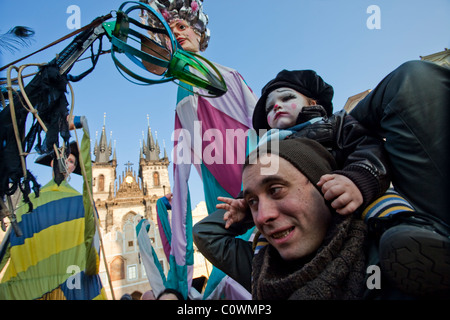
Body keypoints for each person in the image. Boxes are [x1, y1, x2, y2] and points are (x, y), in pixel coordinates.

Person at [194, 138, 409, 299]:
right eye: (253, 202)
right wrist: (244, 210)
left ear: (324, 187)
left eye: (276, 189)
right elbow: (205, 232)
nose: (263, 216)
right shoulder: (262, 269)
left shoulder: (393, 257)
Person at [142, 0, 257, 299]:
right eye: (171, 31)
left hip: (257, 189)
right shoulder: (182, 95)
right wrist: (172, 205)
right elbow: (180, 168)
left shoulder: (230, 75)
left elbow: (260, 125)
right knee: (224, 287)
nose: (178, 34)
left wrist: (264, 182)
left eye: (182, 27)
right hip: (225, 206)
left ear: (198, 34)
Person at [349, 60, 450, 296]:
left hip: (399, 211)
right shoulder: (265, 152)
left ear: (313, 101)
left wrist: (361, 177)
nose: (277, 108)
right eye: (269, 108)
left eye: (285, 97)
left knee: (414, 77)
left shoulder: (341, 126)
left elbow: (364, 146)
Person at [0, 138, 106, 300]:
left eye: (70, 161)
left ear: (73, 168)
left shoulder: (82, 204)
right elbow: (9, 244)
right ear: (52, 162)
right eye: (63, 157)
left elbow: (92, 248)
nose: (66, 163)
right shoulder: (28, 201)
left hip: (67, 283)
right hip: (35, 283)